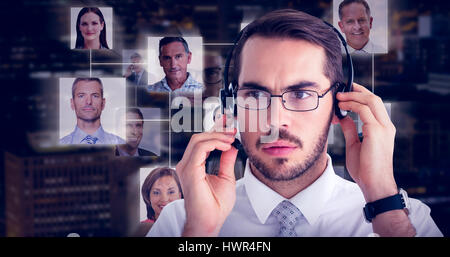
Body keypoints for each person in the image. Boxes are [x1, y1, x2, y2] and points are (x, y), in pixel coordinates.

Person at [148, 9, 442, 237]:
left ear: (340, 103)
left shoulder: (406, 221)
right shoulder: (179, 223)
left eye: (302, 93)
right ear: (231, 104)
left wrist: (385, 206)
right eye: (254, 94)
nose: (275, 120)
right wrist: (200, 233)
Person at [60, 78, 124, 145]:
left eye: (95, 96)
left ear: (103, 103)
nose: (89, 102)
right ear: (72, 103)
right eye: (81, 96)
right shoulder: (59, 146)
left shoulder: (121, 145)